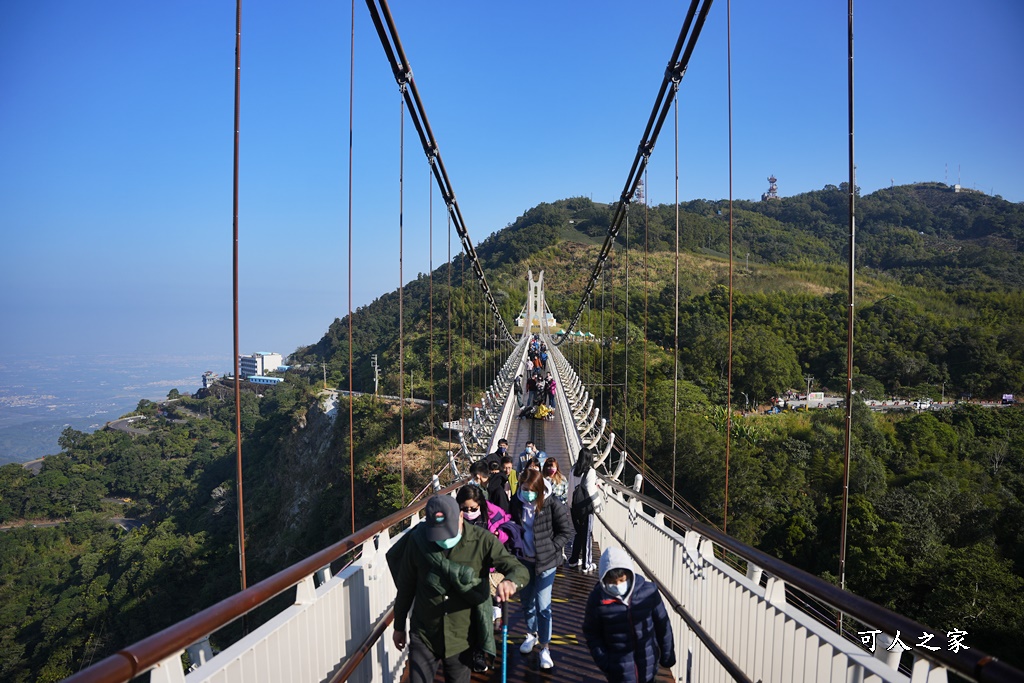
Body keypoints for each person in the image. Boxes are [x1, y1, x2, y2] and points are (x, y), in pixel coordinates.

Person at [388, 495, 528, 683]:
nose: (444, 538)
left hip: (462, 637)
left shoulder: (482, 541)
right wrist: (398, 627)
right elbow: (406, 586)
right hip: (424, 632)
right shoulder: (418, 539)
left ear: (461, 517)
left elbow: (518, 569)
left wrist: (511, 582)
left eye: (448, 531)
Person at [509, 469, 573, 671]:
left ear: (539, 489)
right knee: (527, 601)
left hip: (546, 562)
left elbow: (567, 530)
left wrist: (552, 548)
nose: (528, 493)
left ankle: (545, 647)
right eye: (524, 489)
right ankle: (531, 634)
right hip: (523, 561)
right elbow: (510, 523)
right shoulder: (516, 501)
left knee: (543, 605)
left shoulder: (552, 503)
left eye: (531, 490)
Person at [582, 547, 676, 683]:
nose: (618, 585)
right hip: (617, 671)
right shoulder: (597, 599)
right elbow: (591, 633)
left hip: (648, 664)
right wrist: (605, 662)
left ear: (629, 574)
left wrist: (667, 655)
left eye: (621, 579)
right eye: (612, 582)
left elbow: (663, 624)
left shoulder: (649, 592)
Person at [456, 485, 513, 671]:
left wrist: (499, 536)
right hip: (462, 574)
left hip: (487, 573)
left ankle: (479, 653)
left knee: (482, 616)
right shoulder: (452, 519)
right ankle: (471, 650)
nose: (469, 513)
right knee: (468, 616)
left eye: (474, 509)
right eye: (465, 509)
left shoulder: (494, 515)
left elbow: (509, 528)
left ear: (481, 505)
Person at [569, 448, 602, 572]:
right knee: (587, 535)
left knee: (578, 533)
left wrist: (570, 505)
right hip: (586, 508)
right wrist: (598, 506)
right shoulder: (591, 471)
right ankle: (586, 564)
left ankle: (573, 560)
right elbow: (590, 489)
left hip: (574, 506)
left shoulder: (573, 469)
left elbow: (571, 487)